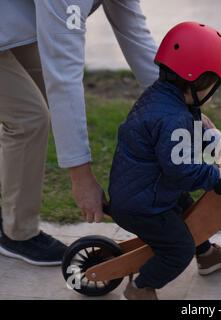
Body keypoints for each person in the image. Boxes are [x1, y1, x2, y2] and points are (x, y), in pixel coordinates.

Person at [0, 1, 159, 266]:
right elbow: (64, 78)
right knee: (29, 118)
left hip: (12, 22)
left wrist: (184, 105)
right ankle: (17, 233)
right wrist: (81, 178)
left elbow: (135, 35)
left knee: (42, 96)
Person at [108, 21, 221, 300]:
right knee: (177, 249)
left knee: (190, 211)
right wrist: (217, 178)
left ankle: (205, 255)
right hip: (142, 205)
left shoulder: (167, 99)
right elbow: (181, 169)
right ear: (198, 80)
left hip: (147, 190)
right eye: (214, 83)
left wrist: (213, 140)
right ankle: (141, 288)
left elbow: (187, 131)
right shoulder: (171, 116)